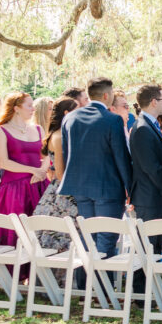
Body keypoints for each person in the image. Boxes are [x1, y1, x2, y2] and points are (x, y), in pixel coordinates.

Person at [58, 78, 131, 258]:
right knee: (106, 239)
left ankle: (86, 284)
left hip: (80, 188)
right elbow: (121, 157)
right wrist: (130, 188)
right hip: (108, 188)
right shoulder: (112, 120)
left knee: (87, 238)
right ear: (106, 95)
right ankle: (102, 285)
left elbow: (67, 155)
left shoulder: (70, 118)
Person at [0, 93, 50, 245]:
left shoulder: (38, 129)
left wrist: (42, 170)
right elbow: (3, 162)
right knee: (16, 232)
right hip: (14, 190)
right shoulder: (0, 131)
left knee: (41, 231)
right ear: (16, 108)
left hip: (40, 185)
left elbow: (47, 155)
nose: (33, 109)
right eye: (29, 105)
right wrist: (32, 170)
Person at [129, 85, 162, 246]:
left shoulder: (153, 126)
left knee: (155, 249)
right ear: (153, 102)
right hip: (148, 198)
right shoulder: (142, 128)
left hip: (157, 196)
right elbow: (151, 166)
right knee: (146, 250)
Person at [32, 97, 80, 251]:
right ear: (67, 113)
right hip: (63, 194)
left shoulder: (65, 133)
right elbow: (60, 173)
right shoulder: (59, 136)